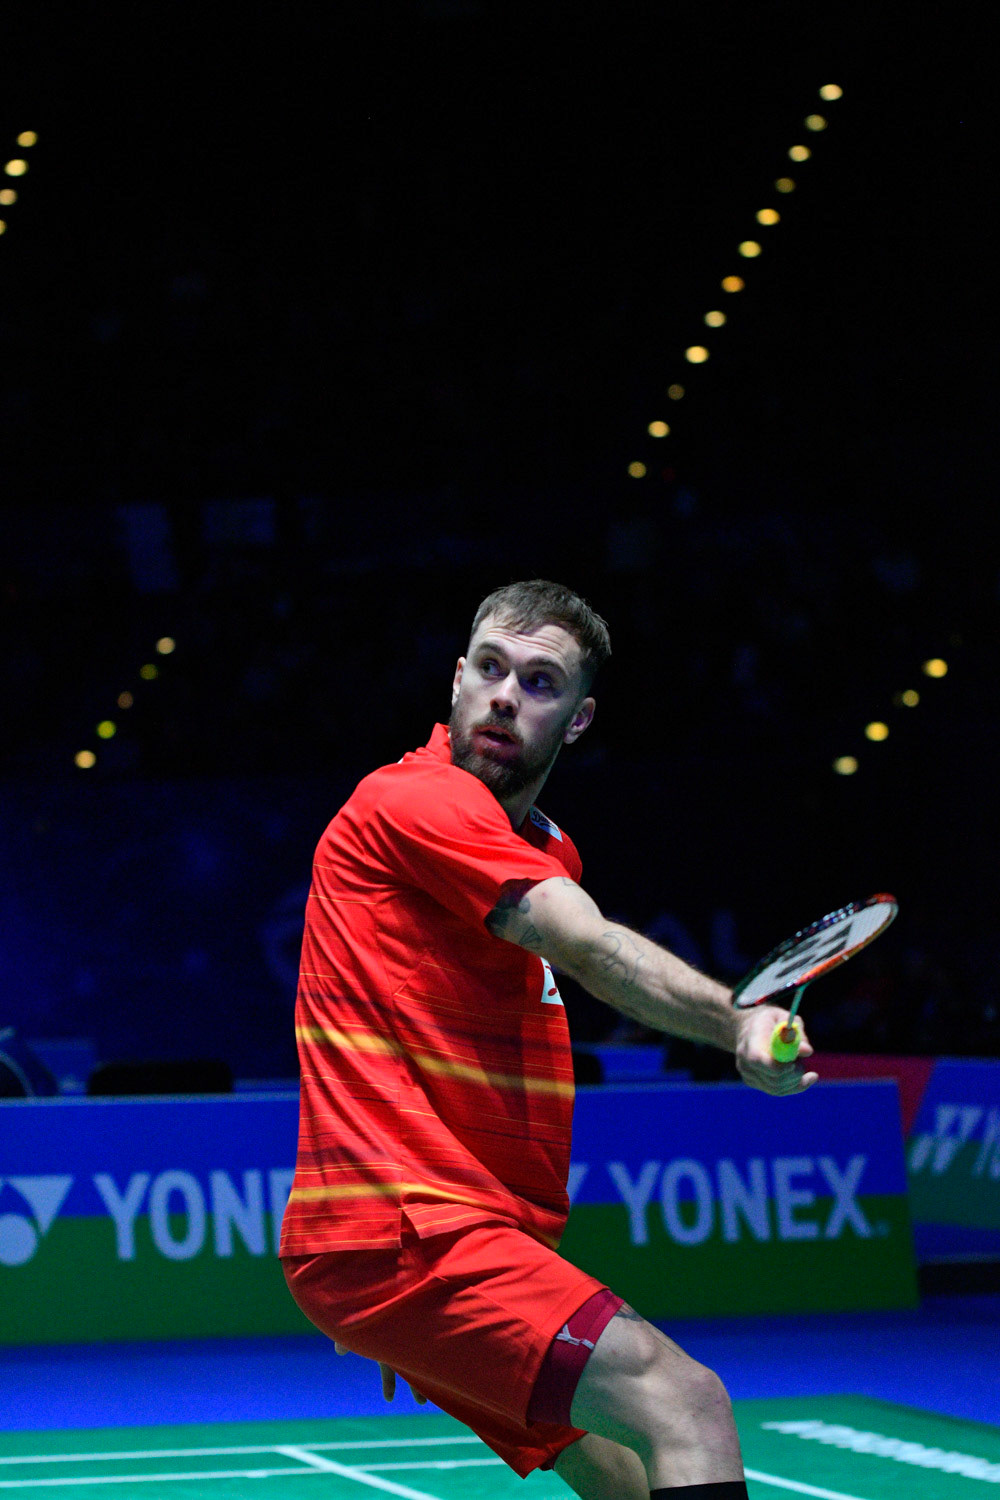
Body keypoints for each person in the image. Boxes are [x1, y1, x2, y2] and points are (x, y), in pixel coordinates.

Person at [280, 579, 817, 1500]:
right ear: (455, 680)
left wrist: (402, 1319)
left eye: (540, 682)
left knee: (622, 1472)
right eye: (490, 668)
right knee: (684, 1404)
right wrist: (740, 1019)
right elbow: (589, 943)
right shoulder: (417, 802)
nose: (504, 695)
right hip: (414, 1231)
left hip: (444, 1238)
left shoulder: (542, 845)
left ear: (577, 720)